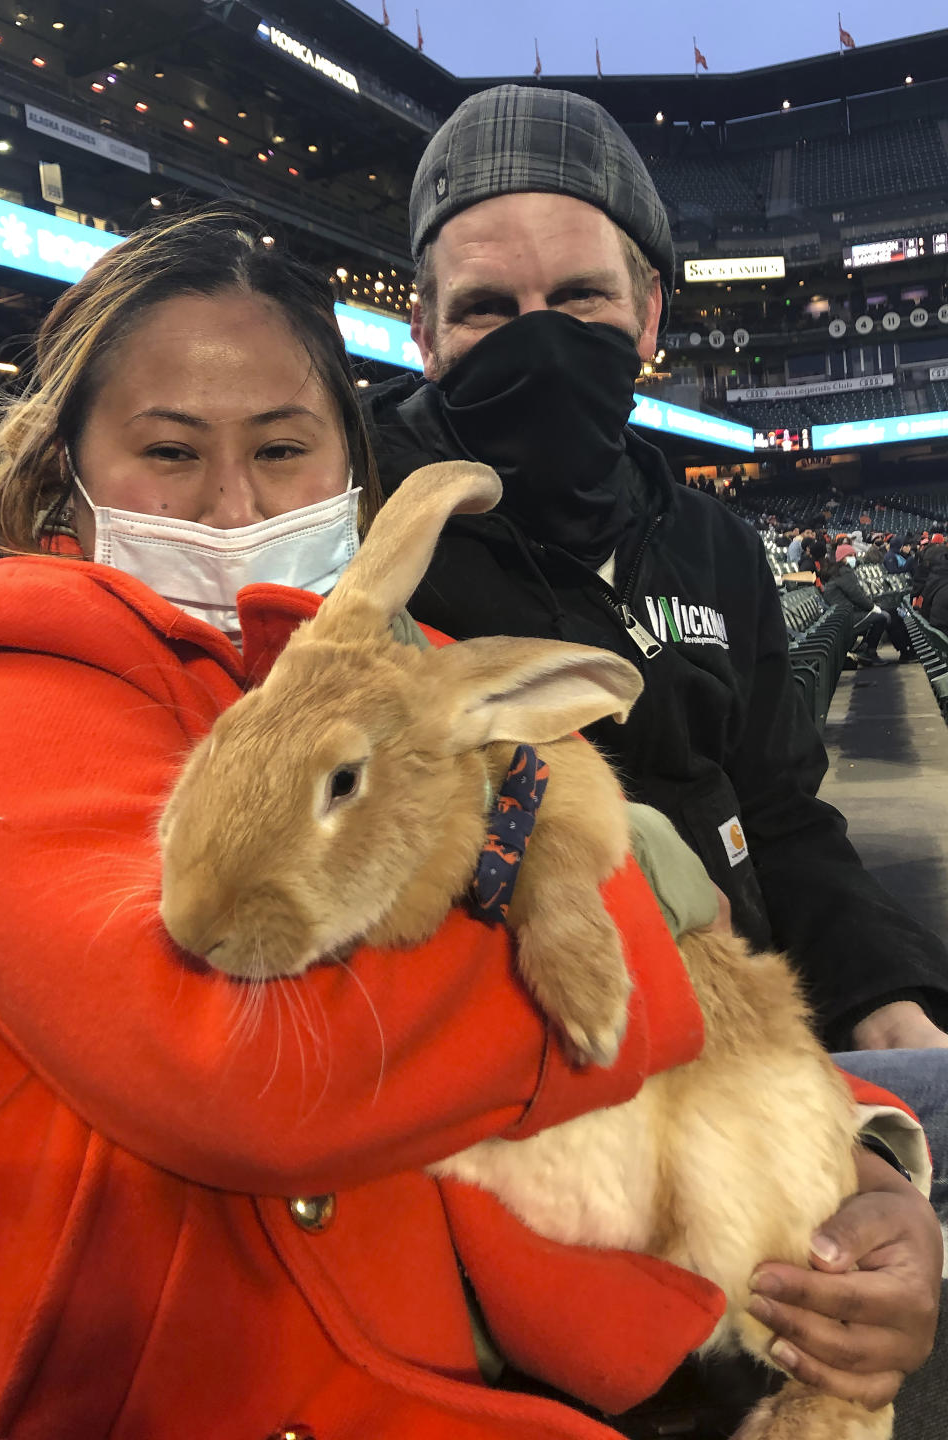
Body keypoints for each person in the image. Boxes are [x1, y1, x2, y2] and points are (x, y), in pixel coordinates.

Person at [0, 204, 774, 1438]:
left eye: (286, 450)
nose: (235, 506)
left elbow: (566, 779)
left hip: (533, 1323)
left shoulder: (373, 661)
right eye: (173, 454)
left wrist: (865, 1160)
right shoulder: (23, 691)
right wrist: (630, 892)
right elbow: (245, 1074)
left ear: (354, 480)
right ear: (66, 478)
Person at [363, 82, 948, 1423]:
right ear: (423, 330)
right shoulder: (362, 530)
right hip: (527, 1100)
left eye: (579, 301)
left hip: (754, 1044)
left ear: (652, 320)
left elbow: (787, 818)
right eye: (487, 312)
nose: (539, 342)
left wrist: (884, 992)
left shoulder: (717, 546)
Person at [821, 552, 910, 665]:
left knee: (891, 611)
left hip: (848, 612)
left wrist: (873, 606)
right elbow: (856, 596)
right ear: (842, 559)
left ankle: (903, 650)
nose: (855, 557)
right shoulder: (842, 573)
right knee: (882, 617)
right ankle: (870, 652)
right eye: (850, 554)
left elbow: (857, 596)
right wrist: (872, 607)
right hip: (845, 616)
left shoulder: (839, 573)